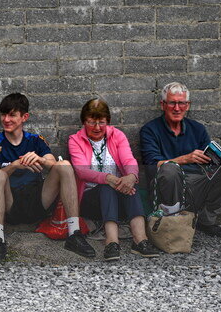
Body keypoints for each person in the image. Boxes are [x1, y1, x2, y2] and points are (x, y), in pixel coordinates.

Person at [0, 93, 95, 264]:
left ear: (24, 117)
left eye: (12, 115)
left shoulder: (35, 141)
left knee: (63, 165)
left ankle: (74, 234)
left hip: (38, 200)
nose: (6, 119)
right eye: (3, 114)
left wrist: (40, 159)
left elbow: (52, 163)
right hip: (10, 203)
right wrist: (14, 165)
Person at [139, 82, 221, 238]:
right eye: (172, 102)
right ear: (163, 105)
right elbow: (153, 166)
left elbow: (208, 162)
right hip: (166, 187)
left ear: (188, 105)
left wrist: (219, 161)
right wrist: (185, 159)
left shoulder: (197, 128)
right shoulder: (150, 130)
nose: (177, 108)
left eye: (182, 103)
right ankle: (173, 224)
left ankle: (205, 220)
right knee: (170, 168)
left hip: (196, 184)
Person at [68, 99, 161, 260]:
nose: (97, 128)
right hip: (91, 200)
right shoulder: (75, 140)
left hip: (119, 194)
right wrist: (109, 178)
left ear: (108, 121)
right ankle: (111, 242)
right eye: (91, 122)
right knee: (107, 186)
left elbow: (129, 160)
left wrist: (131, 176)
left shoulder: (117, 136)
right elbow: (82, 171)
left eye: (101, 122)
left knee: (131, 186)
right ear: (84, 122)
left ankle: (140, 240)